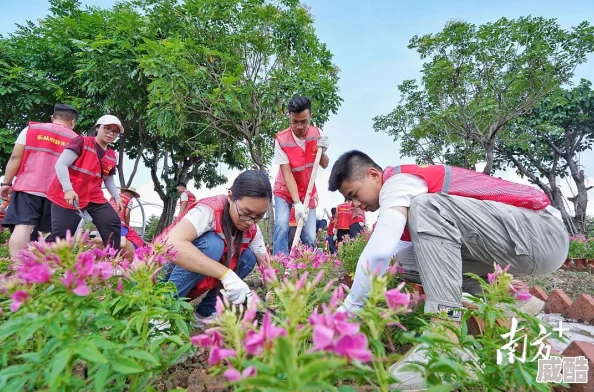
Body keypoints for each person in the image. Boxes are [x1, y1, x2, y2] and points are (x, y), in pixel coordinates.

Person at [328, 150, 568, 389]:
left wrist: (349, 309)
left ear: (373, 175)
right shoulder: (402, 194)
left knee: (427, 207)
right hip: (521, 246)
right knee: (403, 262)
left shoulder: (397, 182)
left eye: (353, 194)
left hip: (542, 233)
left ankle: (446, 337)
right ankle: (510, 298)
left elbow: (378, 251)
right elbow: (388, 259)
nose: (355, 205)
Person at [158, 170, 271, 323]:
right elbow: (171, 245)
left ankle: (205, 313)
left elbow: (266, 265)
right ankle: (161, 313)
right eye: (246, 212)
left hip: (194, 278)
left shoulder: (252, 230)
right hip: (160, 273)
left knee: (248, 258)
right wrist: (226, 275)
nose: (250, 221)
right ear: (230, 197)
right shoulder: (209, 211)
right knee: (213, 245)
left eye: (258, 216)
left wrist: (274, 294)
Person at [0, 104, 80, 257]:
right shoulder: (77, 139)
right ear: (72, 122)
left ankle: (17, 269)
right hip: (57, 192)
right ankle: (47, 273)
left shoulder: (31, 130)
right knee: (49, 232)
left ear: (52, 118)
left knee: (23, 227)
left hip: (28, 187)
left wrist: (6, 183)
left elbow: (16, 157)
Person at [46, 115, 124, 250]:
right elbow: (61, 164)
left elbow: (108, 178)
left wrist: (117, 197)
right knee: (62, 236)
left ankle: (112, 258)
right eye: (107, 128)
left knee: (112, 221)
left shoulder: (112, 155)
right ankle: (44, 261)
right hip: (69, 194)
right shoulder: (82, 142)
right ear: (98, 127)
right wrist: (67, 189)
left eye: (115, 131)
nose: (111, 133)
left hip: (93, 196)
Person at [272, 95, 329, 255]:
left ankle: (308, 268)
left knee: (310, 236)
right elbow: (287, 173)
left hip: (308, 190)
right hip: (284, 189)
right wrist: (296, 203)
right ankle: (279, 265)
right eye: (295, 122)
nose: (299, 126)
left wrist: (323, 151)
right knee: (282, 224)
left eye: (304, 122)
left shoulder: (317, 133)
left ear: (310, 116)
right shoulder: (281, 140)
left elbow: (323, 163)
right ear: (290, 117)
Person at [107, 186, 144, 259]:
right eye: (133, 196)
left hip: (106, 218)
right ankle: (118, 247)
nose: (132, 197)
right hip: (118, 221)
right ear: (131, 194)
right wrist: (127, 224)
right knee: (123, 237)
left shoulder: (114, 196)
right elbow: (127, 213)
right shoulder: (129, 200)